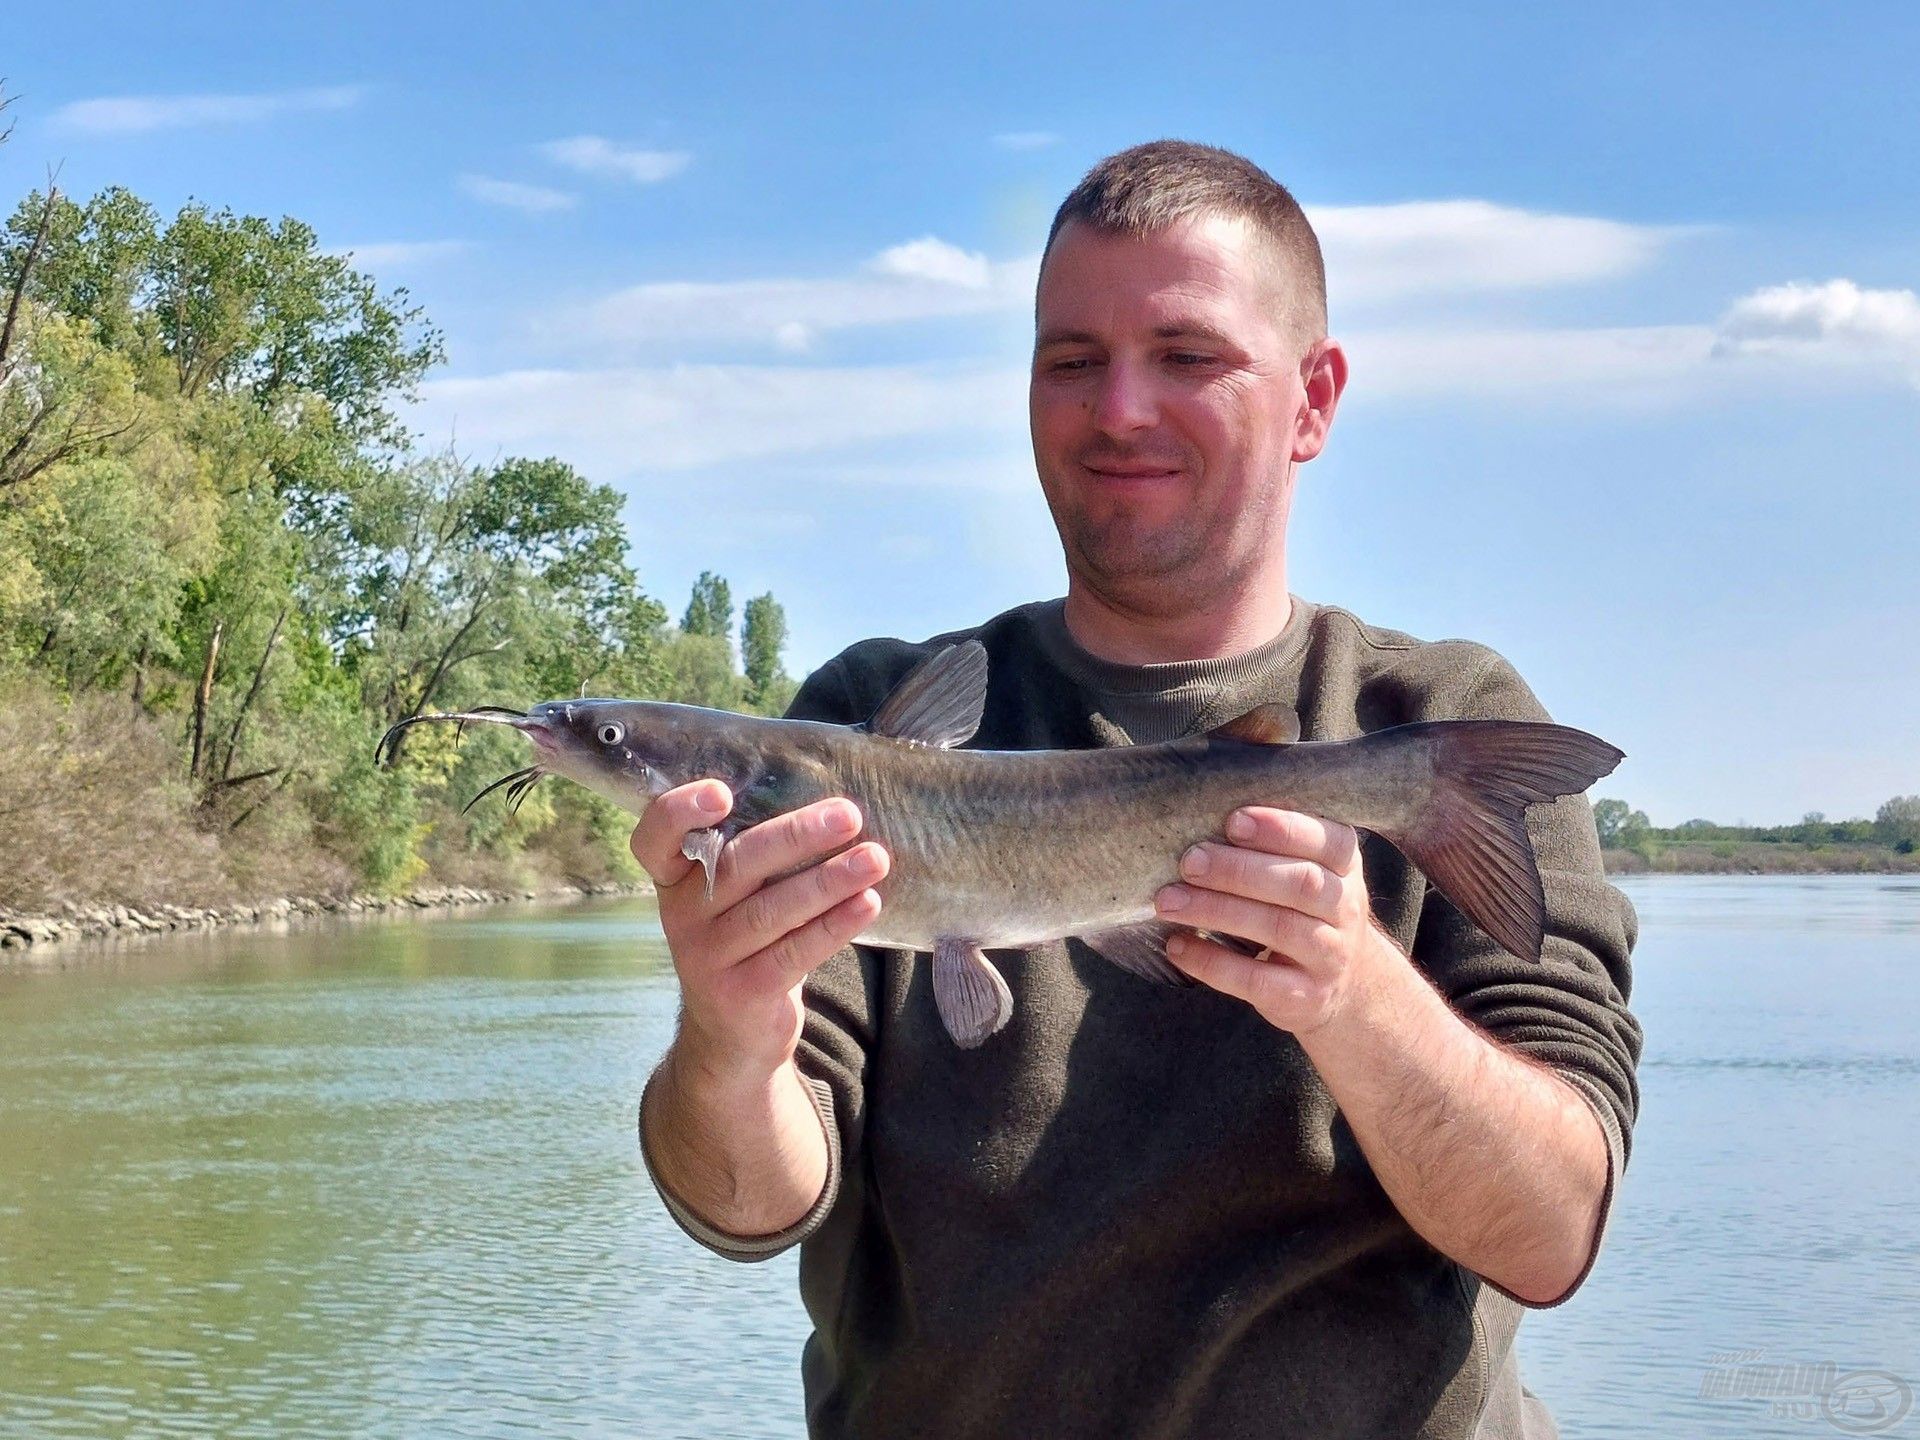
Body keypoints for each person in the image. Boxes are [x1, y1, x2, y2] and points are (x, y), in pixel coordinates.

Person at [633, 140, 1642, 1440]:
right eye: (1071, 360)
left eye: (1187, 355)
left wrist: (1353, 992)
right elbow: (751, 1204)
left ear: (1314, 399)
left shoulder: (1440, 724)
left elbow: (1553, 1232)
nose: (1118, 410)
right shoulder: (865, 729)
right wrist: (729, 1026)